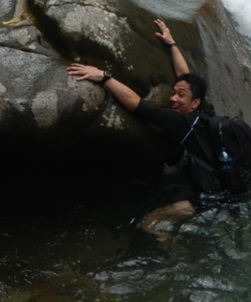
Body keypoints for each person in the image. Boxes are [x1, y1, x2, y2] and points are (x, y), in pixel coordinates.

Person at [66, 18, 221, 235]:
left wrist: (103, 76)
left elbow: (137, 105)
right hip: (228, 189)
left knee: (150, 222)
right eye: (173, 92)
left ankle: (170, 257)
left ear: (193, 102)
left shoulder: (179, 122)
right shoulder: (205, 111)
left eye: (180, 95)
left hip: (211, 200)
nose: (173, 98)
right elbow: (185, 78)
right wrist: (172, 44)